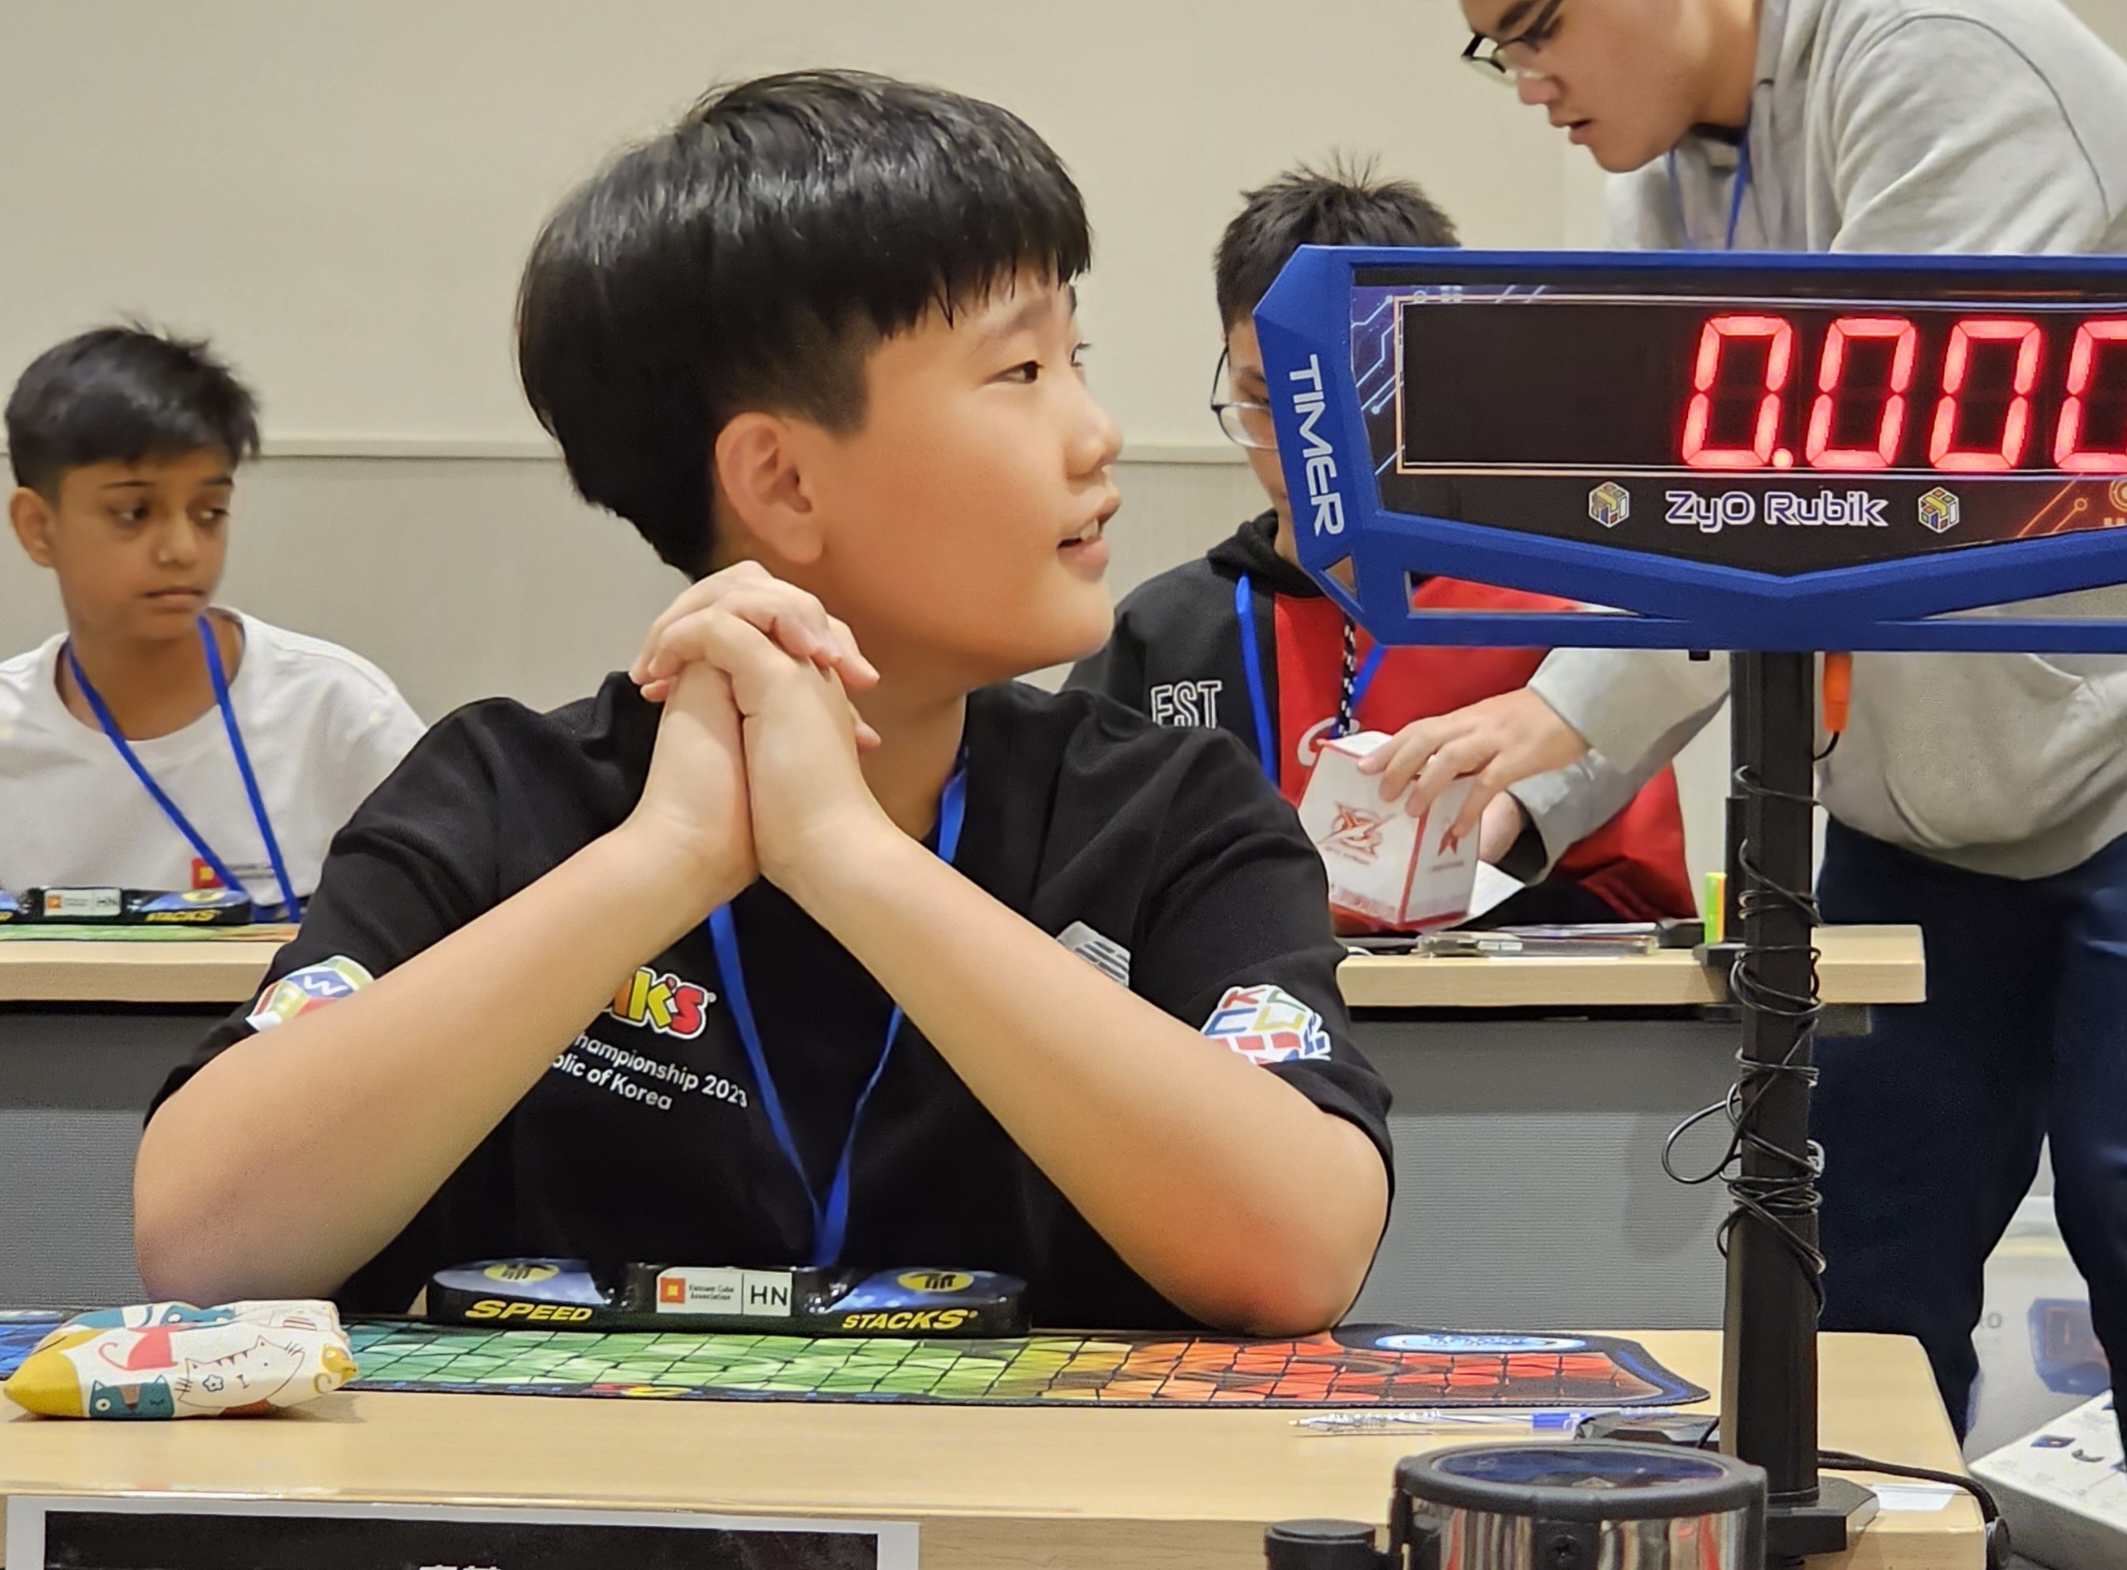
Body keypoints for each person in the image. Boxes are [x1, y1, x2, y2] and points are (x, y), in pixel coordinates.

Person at [134, 72, 1392, 1333]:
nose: (1096, 431)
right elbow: (204, 1240)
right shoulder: (502, 802)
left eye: (1078, 357)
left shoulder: (1170, 812)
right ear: (782, 481)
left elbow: (1299, 1253)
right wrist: (665, 858)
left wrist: (845, 854)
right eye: (1020, 369)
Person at [1365, 0, 2127, 1429]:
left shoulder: (1928, 49)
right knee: (1841, 1300)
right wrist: (1518, 779)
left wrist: (1564, 724)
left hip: (2110, 762)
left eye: (1531, 29)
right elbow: (1680, 511)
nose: (1528, 83)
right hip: (1921, 815)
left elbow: (1850, 486)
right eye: (1494, 51)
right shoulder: (1680, 172)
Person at [1068, 161, 1693, 926]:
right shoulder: (1161, 636)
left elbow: (1638, 925)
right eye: (1263, 401)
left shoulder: (1564, 632)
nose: (1305, 452)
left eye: (1345, 403)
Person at [3, 326, 425, 914]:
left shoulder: (337, 715)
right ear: (37, 528)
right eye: (133, 512)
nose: (182, 548)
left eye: (209, 512)